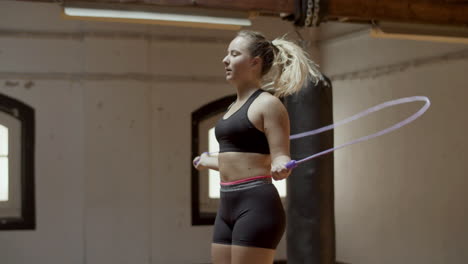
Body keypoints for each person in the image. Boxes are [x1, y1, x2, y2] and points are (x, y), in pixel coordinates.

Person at [193, 30, 322, 264]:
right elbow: (236, 158)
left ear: (254, 63)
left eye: (234, 54)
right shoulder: (233, 107)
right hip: (227, 206)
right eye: (227, 54)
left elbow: (280, 155)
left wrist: (282, 166)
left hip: (256, 206)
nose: (225, 59)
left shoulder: (268, 104)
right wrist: (206, 161)